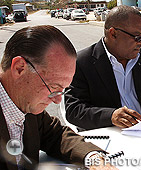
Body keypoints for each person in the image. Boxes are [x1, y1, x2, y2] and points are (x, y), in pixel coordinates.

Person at [0, 25, 115, 170]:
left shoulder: (26, 103)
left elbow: (56, 134)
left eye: (62, 90)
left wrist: (93, 158)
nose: (57, 100)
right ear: (19, 68)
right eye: (53, 87)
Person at [64, 5, 141, 130]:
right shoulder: (82, 62)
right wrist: (111, 116)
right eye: (137, 37)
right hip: (107, 135)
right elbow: (74, 110)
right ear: (113, 33)